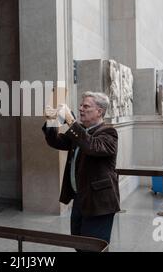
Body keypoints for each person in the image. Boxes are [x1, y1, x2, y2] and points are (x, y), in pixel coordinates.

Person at [43, 92, 120, 249]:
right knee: (78, 244)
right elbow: (55, 141)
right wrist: (52, 121)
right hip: (81, 198)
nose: (80, 109)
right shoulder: (81, 133)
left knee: (93, 247)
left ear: (99, 111)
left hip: (99, 202)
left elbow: (91, 146)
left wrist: (71, 121)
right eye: (80, 105)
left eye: (86, 106)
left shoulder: (108, 133)